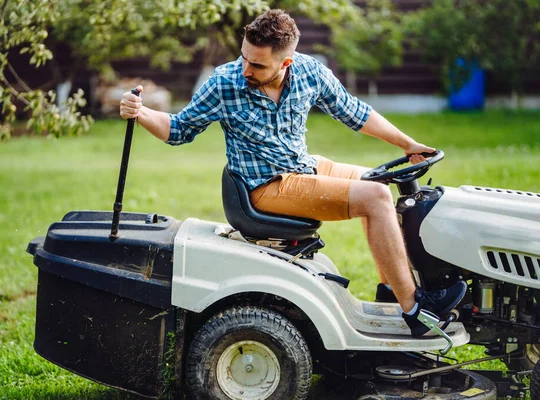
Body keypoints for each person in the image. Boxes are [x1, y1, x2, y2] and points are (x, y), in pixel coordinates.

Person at [119, 9, 466, 337]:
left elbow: (355, 113)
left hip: (303, 167)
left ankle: (391, 292)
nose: (245, 69)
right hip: (265, 186)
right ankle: (415, 310)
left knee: (378, 185)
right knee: (374, 197)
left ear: (286, 62)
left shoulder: (309, 72)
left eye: (256, 64)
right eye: (244, 57)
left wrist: (408, 144)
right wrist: (141, 112)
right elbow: (179, 129)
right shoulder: (224, 83)